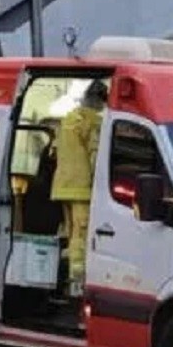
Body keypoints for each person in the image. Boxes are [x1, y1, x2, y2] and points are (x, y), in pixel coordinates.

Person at [52, 79, 106, 297]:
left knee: (71, 231)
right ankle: (77, 281)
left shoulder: (68, 119)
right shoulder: (92, 122)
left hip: (63, 185)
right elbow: (94, 155)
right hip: (82, 186)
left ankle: (66, 276)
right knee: (81, 233)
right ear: (99, 100)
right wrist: (100, 181)